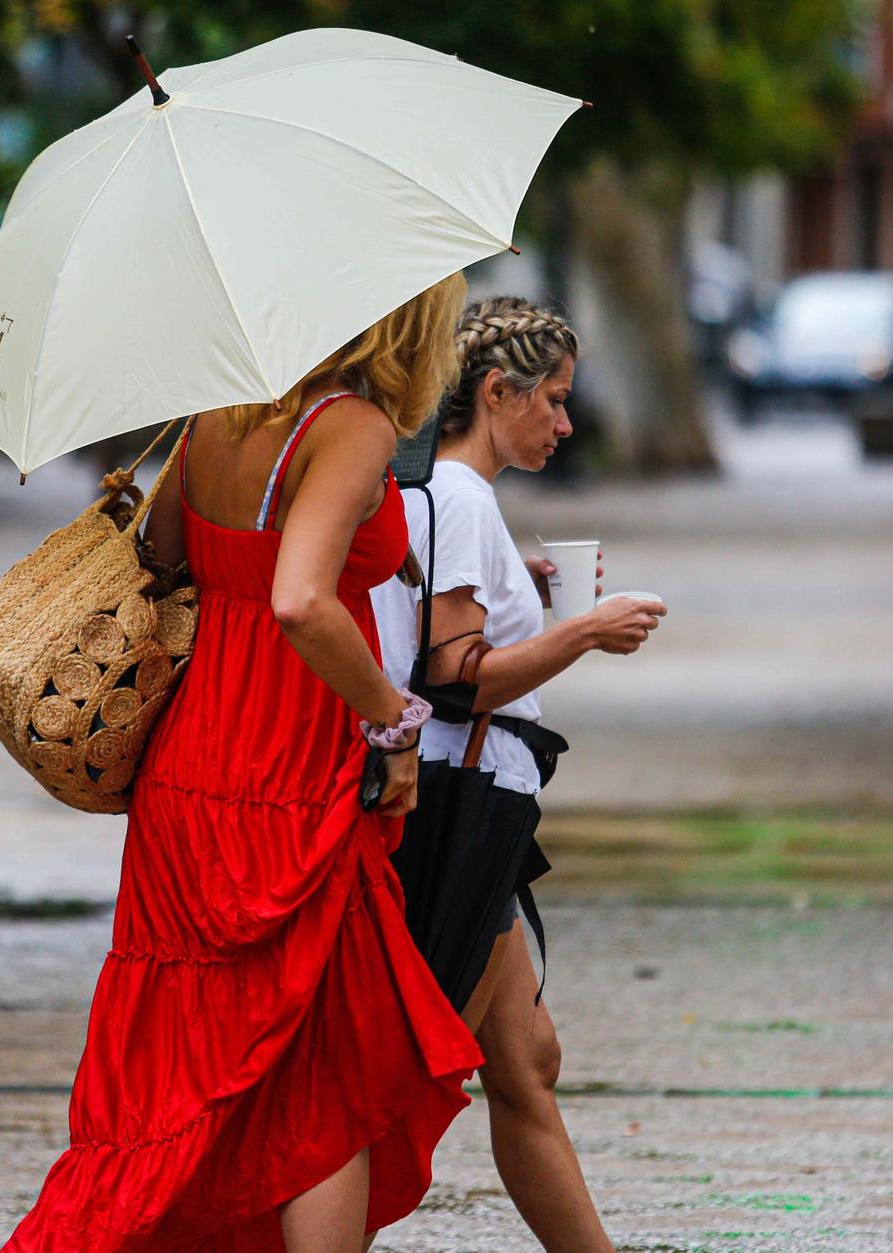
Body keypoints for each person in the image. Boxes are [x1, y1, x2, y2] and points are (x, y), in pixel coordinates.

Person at [2, 273, 484, 1252]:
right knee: (327, 1069)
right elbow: (302, 600)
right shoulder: (349, 427)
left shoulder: (218, 414)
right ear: (409, 317)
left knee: (180, 1060)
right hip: (291, 768)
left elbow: (170, 551)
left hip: (190, 766)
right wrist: (391, 720)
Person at [373, 296, 664, 1252]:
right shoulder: (459, 497)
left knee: (525, 1058)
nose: (566, 423)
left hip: (475, 799)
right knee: (413, 1076)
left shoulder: (436, 492)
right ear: (499, 393)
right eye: (555, 401)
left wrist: (523, 595)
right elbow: (456, 677)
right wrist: (584, 628)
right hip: (466, 804)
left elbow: (443, 636)